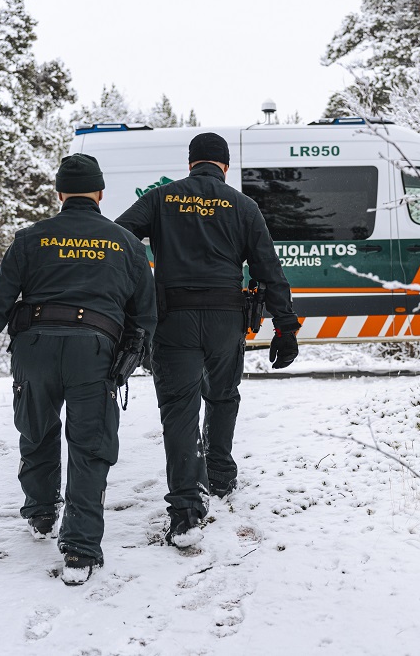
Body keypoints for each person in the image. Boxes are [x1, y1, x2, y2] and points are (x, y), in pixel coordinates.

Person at [0, 154, 156, 585]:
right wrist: (135, 358)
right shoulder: (125, 242)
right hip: (95, 352)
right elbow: (145, 314)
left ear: (60, 194)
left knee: (37, 430)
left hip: (35, 348)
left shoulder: (31, 238)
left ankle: (40, 513)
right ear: (100, 193)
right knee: (90, 447)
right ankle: (81, 550)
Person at [115, 132, 299, 548]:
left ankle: (185, 509)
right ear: (225, 166)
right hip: (225, 320)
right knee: (222, 395)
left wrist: (143, 285)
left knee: (179, 410)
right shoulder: (243, 206)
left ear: (190, 164)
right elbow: (270, 269)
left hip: (173, 318)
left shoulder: (162, 199)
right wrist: (285, 327)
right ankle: (220, 475)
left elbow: (119, 237)